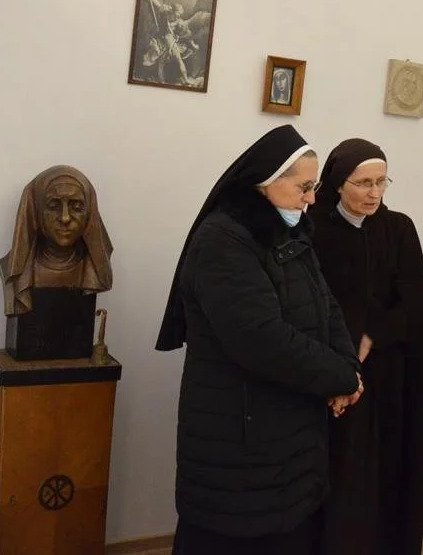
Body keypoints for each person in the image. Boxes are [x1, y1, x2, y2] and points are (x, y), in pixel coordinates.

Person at [155, 124, 364, 555]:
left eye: (315, 187)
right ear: (264, 183)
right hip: (240, 441)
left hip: (290, 436)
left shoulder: (290, 229)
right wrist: (339, 378)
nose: (311, 199)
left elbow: (327, 306)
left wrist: (349, 369)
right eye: (304, 188)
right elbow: (261, 339)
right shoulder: (223, 239)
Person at [310, 138, 423, 555]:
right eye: (363, 183)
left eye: (382, 182)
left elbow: (418, 303)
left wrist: (373, 333)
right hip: (330, 372)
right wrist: (341, 350)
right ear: (337, 183)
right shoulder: (313, 229)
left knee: (383, 470)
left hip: (385, 372)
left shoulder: (398, 229)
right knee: (340, 471)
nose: (374, 193)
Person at [0, 164, 114, 315]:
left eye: (76, 207)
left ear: (89, 212)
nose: (65, 218)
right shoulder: (11, 269)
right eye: (53, 206)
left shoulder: (94, 270)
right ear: (35, 211)